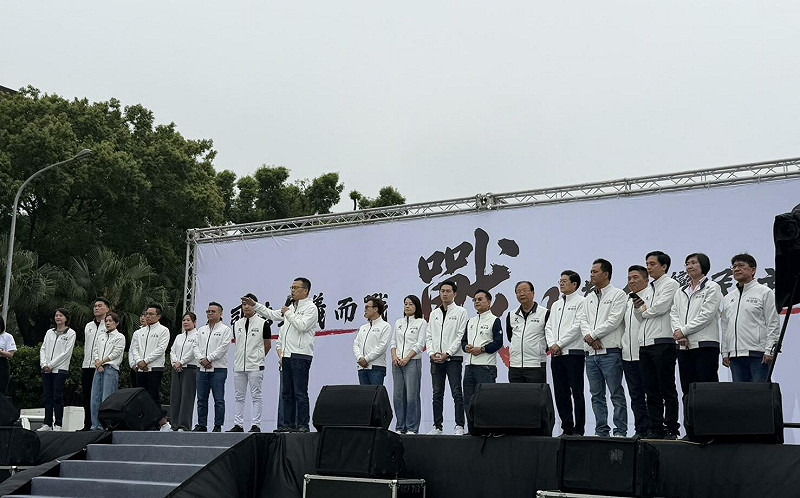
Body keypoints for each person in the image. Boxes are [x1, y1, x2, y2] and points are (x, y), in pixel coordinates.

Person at [246, 277, 318, 433]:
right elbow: (272, 314)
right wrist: (255, 305)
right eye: (291, 287)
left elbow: (303, 326)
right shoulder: (291, 307)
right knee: (287, 393)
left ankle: (303, 425)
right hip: (286, 356)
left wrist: (288, 313)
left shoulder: (311, 308)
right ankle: (288, 424)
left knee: (300, 392)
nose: (292, 290)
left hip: (301, 355)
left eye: (296, 288)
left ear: (305, 291)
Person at [580, 258, 628, 438]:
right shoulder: (589, 298)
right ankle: (601, 431)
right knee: (596, 395)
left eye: (595, 271)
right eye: (591, 271)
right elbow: (582, 320)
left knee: (616, 394)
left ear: (606, 274)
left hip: (610, 353)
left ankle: (620, 431)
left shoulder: (618, 294)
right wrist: (590, 338)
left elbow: (614, 320)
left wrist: (593, 335)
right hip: (591, 354)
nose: (591, 274)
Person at [636, 251, 681, 439]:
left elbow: (661, 308)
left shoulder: (671, 284)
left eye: (652, 264)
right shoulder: (648, 289)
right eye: (647, 263)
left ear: (664, 266)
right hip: (645, 344)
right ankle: (656, 428)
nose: (648, 267)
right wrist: (641, 310)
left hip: (663, 342)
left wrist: (645, 311)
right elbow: (639, 315)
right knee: (650, 390)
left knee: (667, 388)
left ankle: (671, 428)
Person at [721, 253, 781, 382]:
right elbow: (725, 326)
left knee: (759, 392)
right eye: (734, 266)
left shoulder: (765, 292)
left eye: (741, 266)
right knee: (740, 393)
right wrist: (725, 352)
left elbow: (773, 322)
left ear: (753, 270)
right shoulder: (728, 298)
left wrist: (769, 350)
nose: (736, 269)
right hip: (735, 357)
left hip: (758, 354)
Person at [671, 253, 723, 393]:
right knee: (687, 389)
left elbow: (706, 315)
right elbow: (674, 313)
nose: (690, 266)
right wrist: (678, 333)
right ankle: (689, 409)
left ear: (703, 265)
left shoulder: (712, 287)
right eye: (688, 264)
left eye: (694, 263)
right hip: (683, 346)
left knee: (707, 389)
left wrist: (684, 331)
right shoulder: (681, 291)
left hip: (705, 344)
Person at [545, 271, 587, 436]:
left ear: (574, 284)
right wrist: (552, 345)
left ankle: (579, 428)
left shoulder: (582, 301)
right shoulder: (556, 304)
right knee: (561, 392)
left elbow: (577, 326)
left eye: (564, 281)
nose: (561, 284)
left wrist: (559, 344)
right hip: (557, 355)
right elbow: (548, 326)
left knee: (577, 392)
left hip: (574, 353)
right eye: (560, 281)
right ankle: (567, 427)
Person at [425, 280, 468, 435]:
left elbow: (460, 336)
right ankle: (437, 426)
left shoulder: (461, 312)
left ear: (454, 294)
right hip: (435, 359)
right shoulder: (434, 313)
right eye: (442, 291)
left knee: (456, 392)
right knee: (437, 394)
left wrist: (448, 353)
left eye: (448, 291)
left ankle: (459, 425)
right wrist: (431, 353)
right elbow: (429, 336)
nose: (444, 294)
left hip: (453, 359)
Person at [461, 289, 503, 430]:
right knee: (468, 401)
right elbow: (463, 341)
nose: (477, 302)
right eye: (475, 300)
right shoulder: (471, 321)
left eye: (480, 299)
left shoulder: (494, 320)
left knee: (486, 401)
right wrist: (466, 347)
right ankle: (472, 430)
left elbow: (498, 343)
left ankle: (488, 430)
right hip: (469, 367)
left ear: (489, 302)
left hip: (486, 367)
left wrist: (483, 349)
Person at [230, 294, 271, 432]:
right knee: (239, 397)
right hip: (239, 366)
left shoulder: (263, 323)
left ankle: (256, 425)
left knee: (256, 396)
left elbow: (267, 345)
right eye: (243, 304)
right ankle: (238, 424)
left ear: (255, 305)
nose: (246, 306)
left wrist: (258, 357)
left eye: (249, 304)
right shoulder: (236, 324)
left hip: (255, 366)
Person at [192, 302, 233, 432]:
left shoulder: (225, 329)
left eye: (213, 311)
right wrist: (201, 359)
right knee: (201, 399)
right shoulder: (201, 330)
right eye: (208, 311)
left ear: (220, 314)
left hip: (218, 369)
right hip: (202, 369)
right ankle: (202, 424)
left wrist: (209, 359)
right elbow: (195, 346)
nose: (210, 313)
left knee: (218, 399)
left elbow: (223, 348)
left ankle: (217, 425)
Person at [391, 295, 427, 434]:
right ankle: (400, 427)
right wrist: (395, 357)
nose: (407, 306)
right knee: (398, 397)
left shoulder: (421, 322)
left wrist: (407, 358)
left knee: (412, 396)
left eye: (411, 304)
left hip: (412, 362)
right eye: (405, 304)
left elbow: (420, 344)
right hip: (397, 363)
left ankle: (412, 428)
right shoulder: (398, 322)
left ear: (416, 306)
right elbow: (393, 342)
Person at [623, 266, 651, 438]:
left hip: (645, 353)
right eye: (629, 278)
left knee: (651, 394)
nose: (631, 281)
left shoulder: (651, 296)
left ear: (646, 280)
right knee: (635, 395)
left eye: (635, 277)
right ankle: (640, 429)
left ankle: (654, 428)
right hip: (628, 355)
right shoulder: (627, 300)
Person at [38, 308, 76, 431]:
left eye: (61, 316)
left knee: (57, 396)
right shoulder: (50, 332)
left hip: (60, 369)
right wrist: (44, 364)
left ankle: (58, 424)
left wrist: (51, 365)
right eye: (56, 315)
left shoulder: (71, 333)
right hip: (46, 369)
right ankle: (47, 423)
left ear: (66, 318)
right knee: (47, 396)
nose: (58, 318)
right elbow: (43, 348)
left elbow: (66, 353)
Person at [507, 281, 549, 383]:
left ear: (533, 293)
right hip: (515, 365)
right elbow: (510, 336)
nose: (522, 294)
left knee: (536, 393)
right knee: (516, 393)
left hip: (536, 365)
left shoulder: (544, 313)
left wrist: (539, 349)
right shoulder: (511, 315)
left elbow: (549, 337)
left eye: (525, 290)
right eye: (518, 291)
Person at [90, 311, 125, 430]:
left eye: (110, 321)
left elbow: (116, 352)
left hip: (110, 368)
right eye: (106, 321)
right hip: (98, 368)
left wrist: (102, 362)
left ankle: (106, 425)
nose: (108, 323)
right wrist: (97, 363)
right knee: (95, 398)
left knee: (107, 398)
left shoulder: (120, 337)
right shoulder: (101, 336)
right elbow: (95, 350)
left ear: (116, 323)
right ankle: (95, 425)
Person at [129, 304, 170, 405]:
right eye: (146, 314)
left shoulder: (163, 330)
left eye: (151, 314)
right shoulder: (139, 332)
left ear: (158, 316)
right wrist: (139, 361)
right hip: (140, 368)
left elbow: (161, 349)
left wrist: (146, 361)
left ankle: (154, 415)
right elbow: (134, 348)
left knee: (153, 397)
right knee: (139, 397)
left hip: (155, 368)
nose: (147, 316)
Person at [80, 298, 109, 431]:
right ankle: (88, 424)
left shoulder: (108, 325)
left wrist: (101, 362)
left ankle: (101, 424)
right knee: (87, 396)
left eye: (100, 306)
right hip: (87, 365)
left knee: (100, 396)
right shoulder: (88, 326)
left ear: (107, 309)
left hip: (101, 366)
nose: (96, 308)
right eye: (95, 306)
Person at [170, 312, 199, 431]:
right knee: (175, 397)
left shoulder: (197, 335)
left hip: (190, 368)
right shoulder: (179, 337)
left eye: (188, 320)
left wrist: (181, 362)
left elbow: (193, 352)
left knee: (186, 398)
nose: (185, 322)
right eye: (184, 320)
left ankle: (184, 425)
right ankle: (174, 424)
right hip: (177, 368)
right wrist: (175, 363)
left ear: (194, 322)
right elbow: (172, 351)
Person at [353, 296, 392, 385]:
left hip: (376, 367)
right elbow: (356, 344)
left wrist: (366, 359)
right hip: (362, 368)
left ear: (375, 309)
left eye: (367, 307)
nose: (365, 310)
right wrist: (360, 358)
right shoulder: (363, 327)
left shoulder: (385, 326)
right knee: (364, 394)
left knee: (375, 393)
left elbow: (382, 346)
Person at [0, 316, 17, 396]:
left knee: (2, 390)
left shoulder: (7, 336)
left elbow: (10, 354)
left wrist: (1, 352)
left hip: (2, 364)